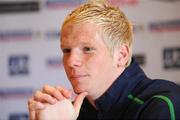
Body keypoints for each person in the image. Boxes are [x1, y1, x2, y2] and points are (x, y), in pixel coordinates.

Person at [28, 0, 180, 120]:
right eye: (66, 50)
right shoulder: (68, 113)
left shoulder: (161, 103)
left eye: (87, 49)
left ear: (122, 55)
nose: (71, 61)